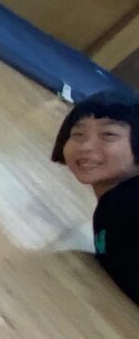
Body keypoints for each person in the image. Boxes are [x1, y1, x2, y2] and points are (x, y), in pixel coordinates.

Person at [51, 94, 139, 305]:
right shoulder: (115, 204)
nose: (86, 146)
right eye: (78, 134)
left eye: (108, 135)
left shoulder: (123, 204)